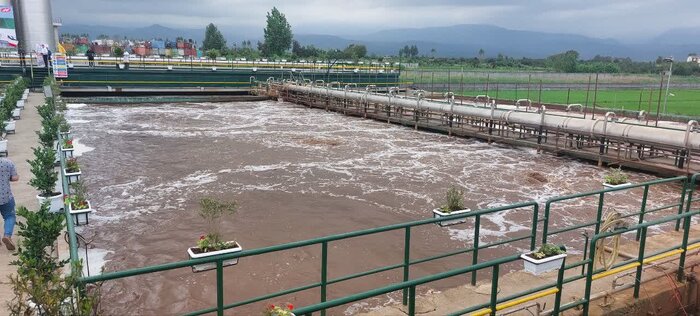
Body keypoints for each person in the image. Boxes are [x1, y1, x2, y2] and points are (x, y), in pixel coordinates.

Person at [0, 157, 19, 251]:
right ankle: (7, 235)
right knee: (9, 216)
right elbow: (15, 178)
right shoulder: (7, 162)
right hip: (5, 197)